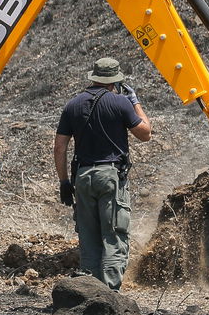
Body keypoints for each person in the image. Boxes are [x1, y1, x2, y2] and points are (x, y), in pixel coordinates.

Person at [53, 57, 152, 289]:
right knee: (114, 236)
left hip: (83, 177)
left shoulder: (72, 105)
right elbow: (145, 133)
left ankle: (90, 293)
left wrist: (64, 182)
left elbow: (59, 146)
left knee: (89, 239)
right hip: (111, 177)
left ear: (94, 78)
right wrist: (135, 101)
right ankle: (109, 295)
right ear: (115, 82)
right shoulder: (120, 103)